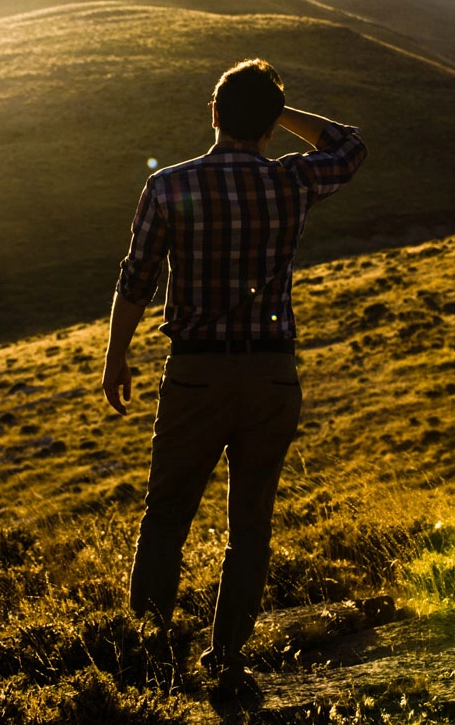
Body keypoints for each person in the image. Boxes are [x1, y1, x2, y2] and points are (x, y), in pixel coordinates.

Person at [100, 58, 367, 696]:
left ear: (214, 114)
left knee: (165, 516)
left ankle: (152, 662)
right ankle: (227, 659)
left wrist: (117, 355)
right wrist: (286, 111)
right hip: (273, 374)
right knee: (251, 521)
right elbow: (351, 145)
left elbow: (135, 279)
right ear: (272, 125)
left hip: (194, 374)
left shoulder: (168, 186)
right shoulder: (294, 180)